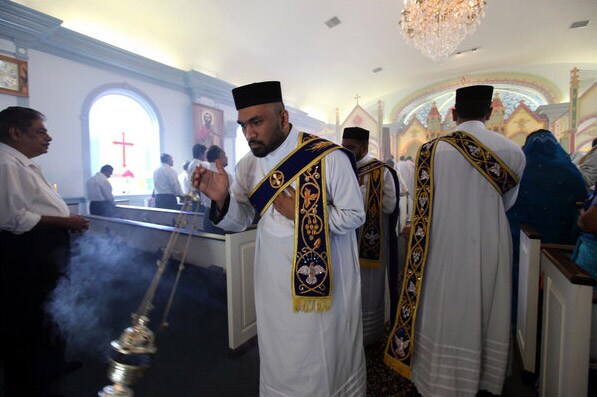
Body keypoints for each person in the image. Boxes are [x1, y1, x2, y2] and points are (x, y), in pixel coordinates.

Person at [192, 81, 367, 396]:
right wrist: (221, 201)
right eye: (243, 125)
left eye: (256, 122)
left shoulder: (328, 157)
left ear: (283, 118)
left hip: (324, 289)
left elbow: (355, 215)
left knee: (321, 356)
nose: (249, 134)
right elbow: (241, 219)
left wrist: (301, 213)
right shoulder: (247, 167)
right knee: (282, 356)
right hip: (273, 281)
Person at [384, 85, 526, 397]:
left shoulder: (430, 150)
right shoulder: (513, 152)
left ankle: (437, 375)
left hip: (440, 241)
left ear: (452, 114)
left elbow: (423, 204)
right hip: (490, 239)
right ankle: (484, 376)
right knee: (487, 301)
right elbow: (508, 202)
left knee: (441, 304)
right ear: (489, 113)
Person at [0, 106, 90, 395]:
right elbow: (13, 218)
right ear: (15, 133)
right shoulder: (6, 164)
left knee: (53, 305)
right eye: (40, 131)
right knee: (31, 311)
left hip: (45, 244)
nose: (48, 137)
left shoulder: (23, 163)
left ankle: (52, 364)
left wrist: (65, 224)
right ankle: (30, 379)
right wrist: (67, 221)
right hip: (29, 249)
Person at [506, 129, 588, 326]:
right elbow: (582, 202)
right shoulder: (570, 173)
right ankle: (550, 331)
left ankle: (518, 327)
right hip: (559, 248)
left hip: (519, 240)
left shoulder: (517, 171)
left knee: (518, 284)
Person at [342, 126, 400, 346]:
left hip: (371, 241)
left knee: (369, 286)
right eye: (343, 145)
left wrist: (361, 190)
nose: (345, 150)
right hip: (345, 239)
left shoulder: (381, 170)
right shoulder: (341, 167)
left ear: (364, 147)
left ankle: (369, 333)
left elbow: (389, 205)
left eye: (350, 147)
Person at [201, 145, 232, 234]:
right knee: (224, 245)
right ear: (218, 158)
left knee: (213, 244)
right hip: (220, 216)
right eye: (224, 155)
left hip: (207, 214)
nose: (227, 157)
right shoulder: (225, 176)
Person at [188, 143, 208, 211]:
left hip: (193, 192)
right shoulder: (202, 164)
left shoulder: (191, 164)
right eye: (205, 153)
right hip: (200, 193)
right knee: (201, 213)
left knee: (195, 213)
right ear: (201, 153)